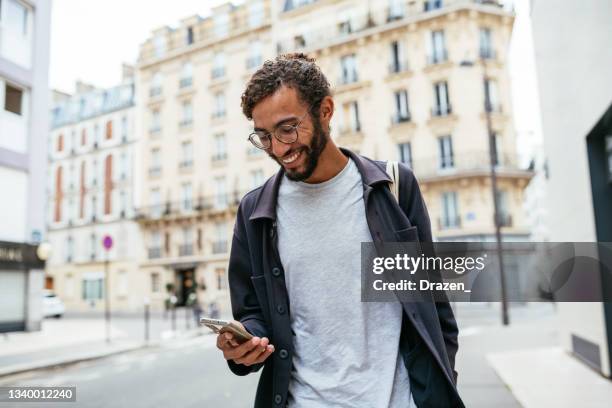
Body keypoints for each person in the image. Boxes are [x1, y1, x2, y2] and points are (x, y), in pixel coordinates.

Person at [216, 53, 464, 408]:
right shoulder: (255, 212)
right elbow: (253, 315)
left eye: (288, 129)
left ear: (325, 111)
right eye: (264, 136)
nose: (279, 148)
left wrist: (438, 389)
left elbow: (434, 310)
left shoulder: (393, 187)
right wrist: (244, 344)